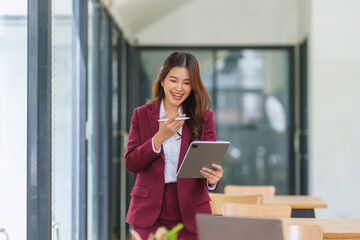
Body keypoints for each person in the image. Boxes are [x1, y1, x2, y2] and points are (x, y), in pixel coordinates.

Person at [125, 51, 223, 240]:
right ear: (162, 80)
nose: (179, 88)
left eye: (187, 82)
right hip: (148, 212)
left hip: (191, 210)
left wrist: (213, 180)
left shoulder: (204, 118)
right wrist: (159, 137)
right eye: (173, 80)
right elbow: (131, 164)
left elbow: (208, 165)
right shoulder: (141, 114)